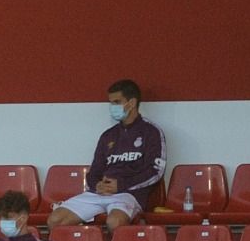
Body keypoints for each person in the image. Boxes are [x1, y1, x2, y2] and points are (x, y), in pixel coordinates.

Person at [47, 79, 165, 231]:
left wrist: (120, 185)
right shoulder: (108, 135)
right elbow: (93, 172)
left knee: (114, 222)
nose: (112, 107)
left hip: (129, 194)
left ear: (132, 103)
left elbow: (156, 172)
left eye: (117, 102)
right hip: (99, 193)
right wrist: (97, 185)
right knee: (55, 220)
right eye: (111, 103)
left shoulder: (151, 132)